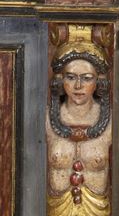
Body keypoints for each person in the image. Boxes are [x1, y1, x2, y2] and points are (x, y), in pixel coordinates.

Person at [46, 32, 113, 216]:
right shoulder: (46, 119)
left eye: (86, 78)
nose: (78, 86)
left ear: (99, 82)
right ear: (60, 80)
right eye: (70, 77)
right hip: (57, 207)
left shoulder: (112, 121)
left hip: (98, 207)